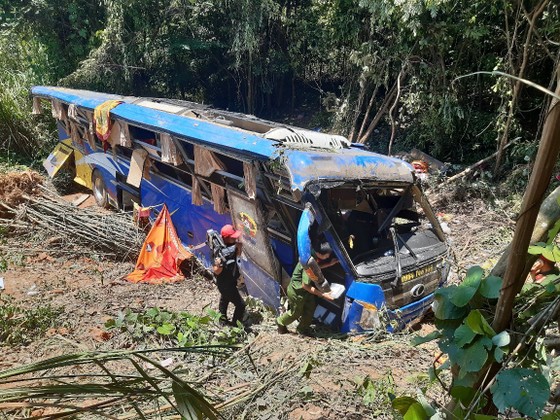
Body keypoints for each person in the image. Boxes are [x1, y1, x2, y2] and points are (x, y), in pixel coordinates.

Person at [276, 241, 338, 335]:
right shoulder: (308, 263)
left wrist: (330, 264)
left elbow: (316, 268)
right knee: (295, 313)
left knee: (309, 310)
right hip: (297, 292)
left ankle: (302, 330)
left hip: (306, 292)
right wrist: (323, 295)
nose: (328, 257)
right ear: (320, 253)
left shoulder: (313, 256)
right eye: (327, 255)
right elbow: (305, 286)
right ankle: (280, 322)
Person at [212, 224, 245, 325]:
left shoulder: (232, 247)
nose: (236, 239)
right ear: (227, 239)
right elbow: (216, 271)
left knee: (224, 299)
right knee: (241, 305)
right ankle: (236, 325)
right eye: (233, 237)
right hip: (225, 284)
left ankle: (222, 320)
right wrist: (219, 265)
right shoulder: (220, 252)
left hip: (230, 281)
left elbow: (237, 258)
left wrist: (239, 250)